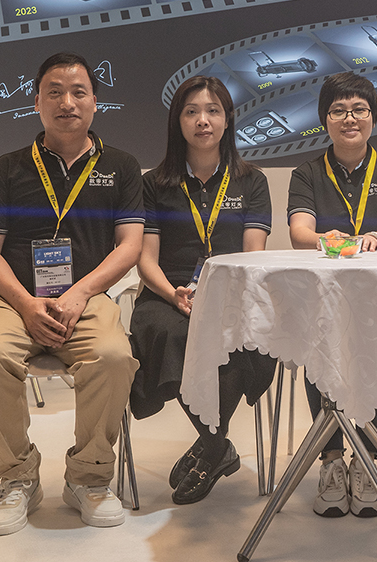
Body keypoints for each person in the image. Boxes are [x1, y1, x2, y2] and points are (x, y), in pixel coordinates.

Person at [0, 52, 143, 536]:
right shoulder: (8, 168)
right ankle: (17, 476)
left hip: (86, 298)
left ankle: (89, 478)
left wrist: (80, 294)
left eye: (78, 92)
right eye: (55, 92)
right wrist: (26, 304)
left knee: (113, 356)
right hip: (13, 299)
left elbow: (130, 247)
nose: (67, 102)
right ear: (37, 103)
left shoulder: (122, 166)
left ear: (95, 102)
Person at [128, 75, 276, 504]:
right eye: (191, 112)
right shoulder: (155, 183)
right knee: (173, 335)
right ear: (178, 121)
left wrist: (223, 297)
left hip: (235, 294)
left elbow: (253, 255)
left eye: (213, 111)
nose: (203, 121)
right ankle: (216, 447)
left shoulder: (251, 181)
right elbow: (146, 259)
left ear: (227, 120)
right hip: (168, 294)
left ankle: (210, 447)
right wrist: (173, 293)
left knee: (244, 339)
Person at [287, 72, 377, 518]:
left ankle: (367, 459)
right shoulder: (306, 172)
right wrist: (325, 239)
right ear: (325, 119)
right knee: (317, 347)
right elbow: (299, 233)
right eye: (338, 110)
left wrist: (373, 237)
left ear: (373, 117)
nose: (349, 118)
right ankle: (331, 459)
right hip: (322, 293)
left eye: (359, 109)